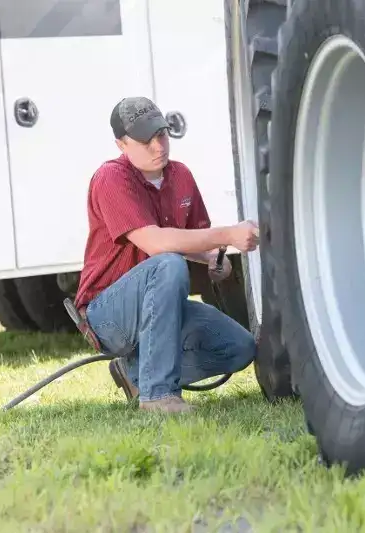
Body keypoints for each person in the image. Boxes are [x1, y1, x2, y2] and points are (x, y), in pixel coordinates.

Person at [73, 96, 260, 414]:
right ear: (121, 144)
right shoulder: (111, 179)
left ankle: (136, 374)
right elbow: (157, 244)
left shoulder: (181, 176)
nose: (158, 146)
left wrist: (216, 258)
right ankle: (158, 395)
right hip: (107, 314)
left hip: (159, 305)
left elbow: (196, 242)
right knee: (169, 263)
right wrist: (229, 234)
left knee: (239, 348)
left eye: (161, 134)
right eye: (145, 140)